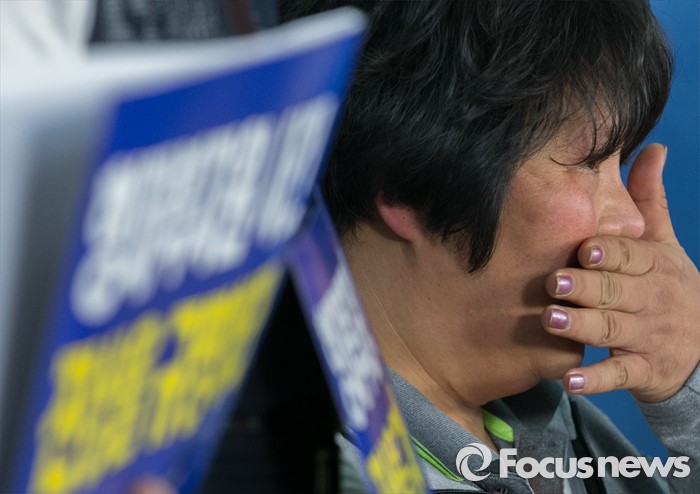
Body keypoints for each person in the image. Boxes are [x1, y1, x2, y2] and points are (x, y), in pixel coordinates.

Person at [279, 1, 700, 492]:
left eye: (618, 164)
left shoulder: (552, 428)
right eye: (588, 162)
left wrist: (688, 386)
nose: (629, 222)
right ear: (411, 185)